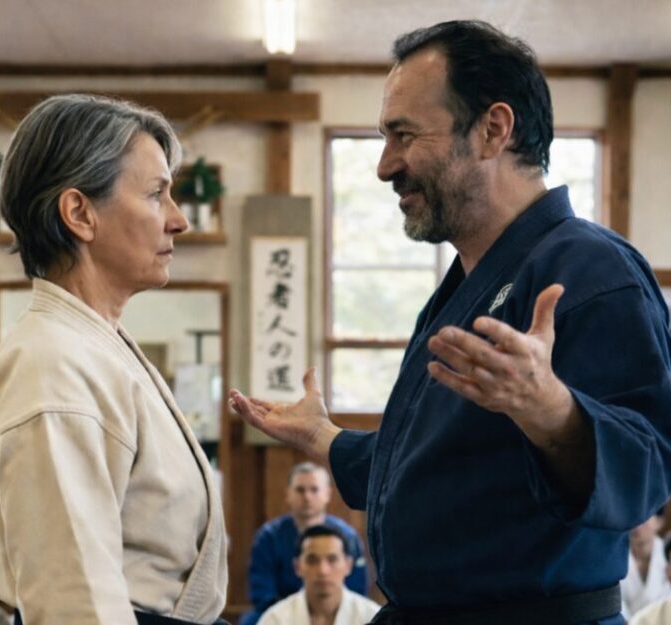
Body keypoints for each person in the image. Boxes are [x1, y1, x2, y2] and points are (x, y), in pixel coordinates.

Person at [229, 19, 671, 625]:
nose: (386, 166)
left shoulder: (590, 269)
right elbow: (443, 468)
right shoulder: (465, 284)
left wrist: (553, 411)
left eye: (404, 135)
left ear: (492, 129)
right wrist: (323, 439)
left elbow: (648, 470)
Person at [0, 94, 227, 625]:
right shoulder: (50, 368)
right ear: (80, 213)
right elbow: (74, 602)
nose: (178, 220)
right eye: (156, 194)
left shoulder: (92, 346)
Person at [240, 463, 368, 625]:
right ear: (288, 494)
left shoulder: (348, 537)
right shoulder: (268, 537)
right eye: (300, 490)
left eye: (314, 489)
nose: (307, 497)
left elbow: (357, 587)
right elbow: (262, 590)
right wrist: (291, 614)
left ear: (328, 493)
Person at [258, 525, 379, 625]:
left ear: (348, 565)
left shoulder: (372, 616)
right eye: (312, 560)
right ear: (297, 567)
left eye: (332, 559)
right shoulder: (275, 619)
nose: (323, 571)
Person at [622, 510, 671, 618]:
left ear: (659, 522)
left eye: (644, 521)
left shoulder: (668, 555)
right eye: (633, 521)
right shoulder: (617, 557)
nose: (637, 527)